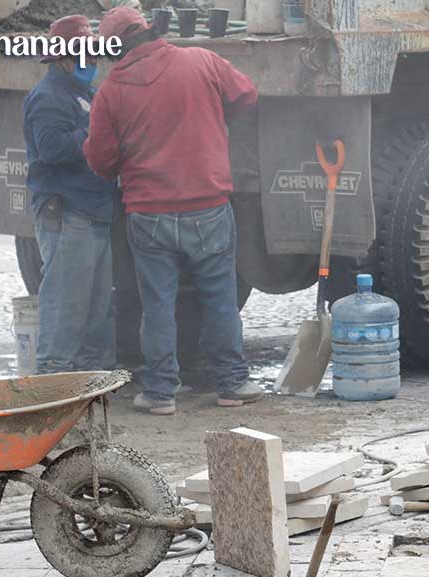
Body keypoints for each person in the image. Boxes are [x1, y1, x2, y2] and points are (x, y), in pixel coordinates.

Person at [85, 7, 261, 415]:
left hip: (149, 213)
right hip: (208, 206)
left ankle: (161, 392)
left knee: (157, 304)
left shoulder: (111, 90)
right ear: (149, 31)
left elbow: (100, 159)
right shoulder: (200, 60)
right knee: (220, 298)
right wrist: (215, 119)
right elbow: (246, 94)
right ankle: (232, 383)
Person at [23, 15, 118, 374]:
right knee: (67, 306)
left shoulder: (84, 93)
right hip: (67, 213)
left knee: (95, 308)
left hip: (93, 211)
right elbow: (51, 149)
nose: (90, 62)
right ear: (61, 57)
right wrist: (95, 131)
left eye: (93, 54)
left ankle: (92, 384)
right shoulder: (48, 97)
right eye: (82, 54)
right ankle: (53, 381)